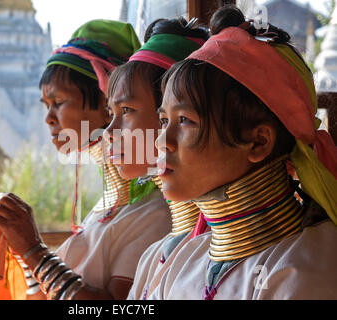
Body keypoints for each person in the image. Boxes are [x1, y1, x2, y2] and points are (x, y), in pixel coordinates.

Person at [144, 5, 337, 299]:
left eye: (184, 120)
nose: (161, 141)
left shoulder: (304, 270)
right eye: (163, 121)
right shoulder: (187, 258)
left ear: (258, 142)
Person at [0, 19, 172, 300]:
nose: (49, 118)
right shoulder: (105, 208)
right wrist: (25, 253)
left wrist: (34, 251)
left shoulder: (156, 212)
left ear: (105, 102)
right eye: (46, 106)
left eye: (59, 103)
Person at [102, 17, 210, 300]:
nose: (109, 132)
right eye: (111, 114)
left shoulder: (229, 248)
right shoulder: (158, 252)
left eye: (126, 110)